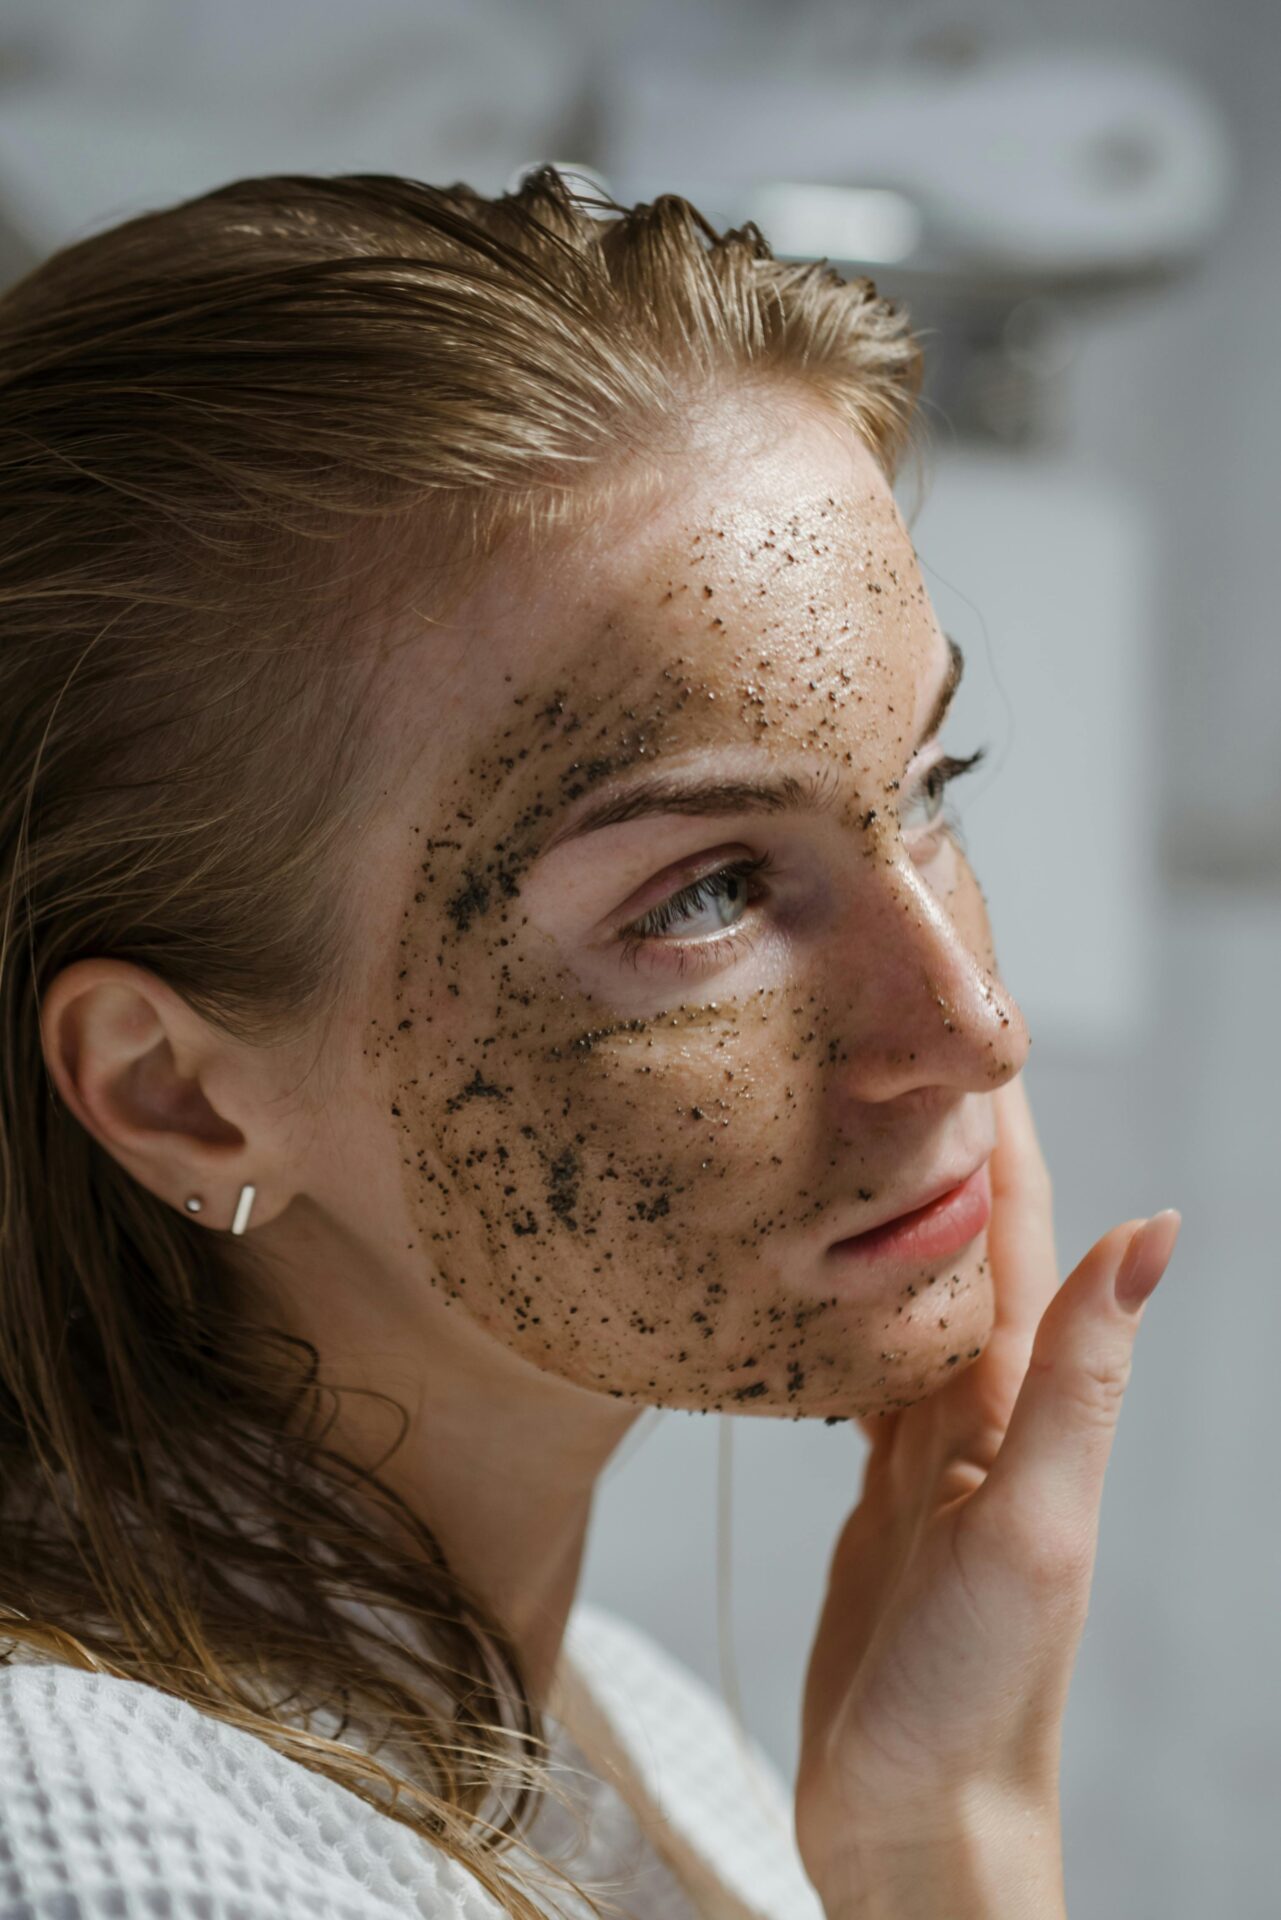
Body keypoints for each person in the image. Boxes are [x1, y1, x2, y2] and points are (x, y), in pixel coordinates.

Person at [0, 167, 1180, 1919]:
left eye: (928, 789)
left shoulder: (627, 1741)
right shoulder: (95, 1846)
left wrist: (940, 1840)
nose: (970, 1026)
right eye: (704, 890)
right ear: (176, 1093)